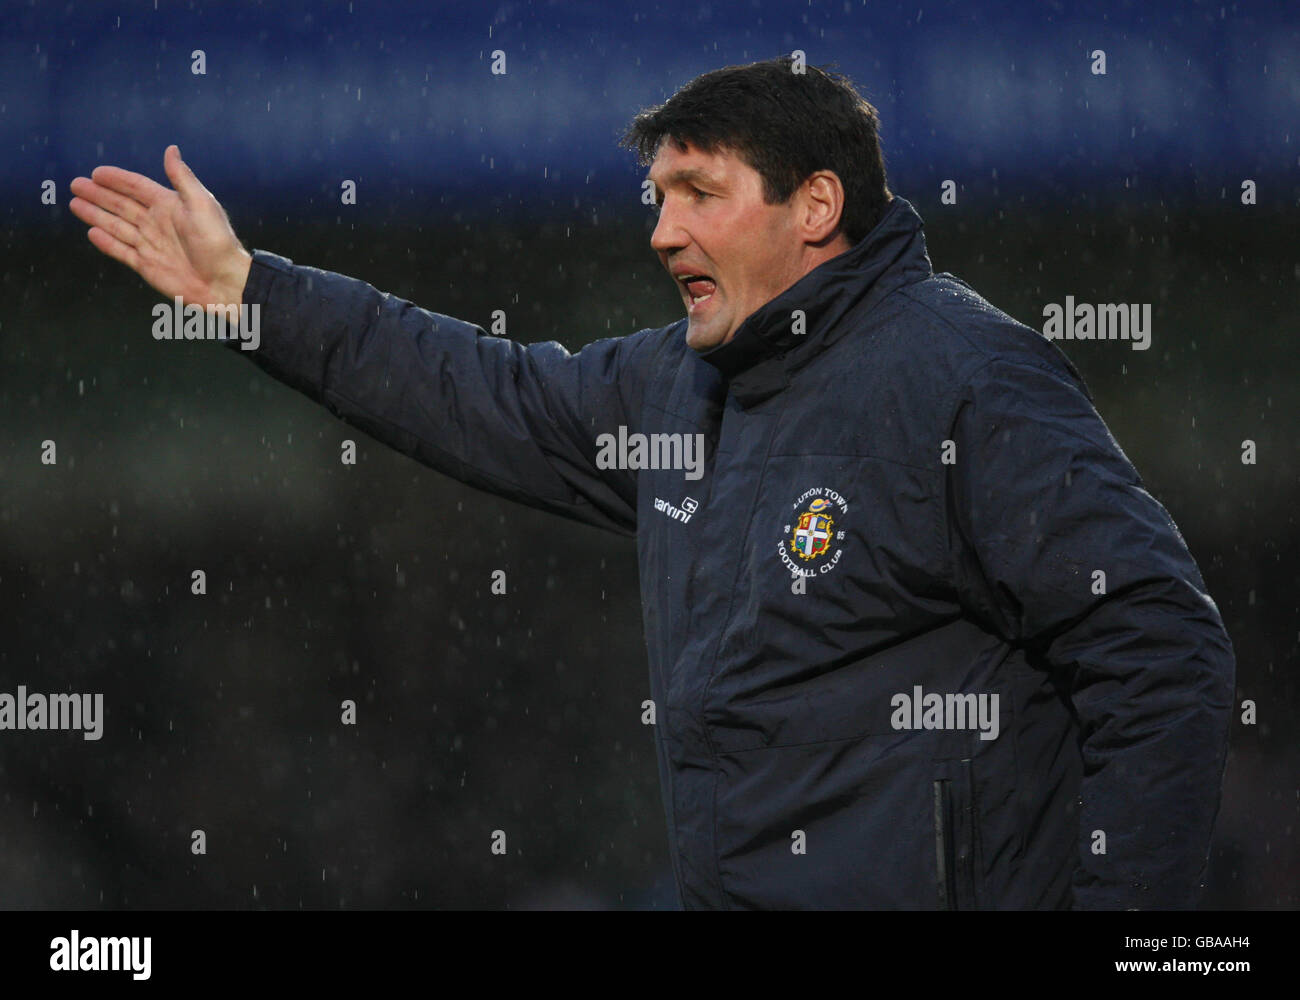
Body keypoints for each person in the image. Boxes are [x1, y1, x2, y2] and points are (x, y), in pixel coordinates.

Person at [68, 56, 1235, 910]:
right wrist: (252, 296)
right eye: (657, 198)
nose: (662, 232)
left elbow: (1161, 647)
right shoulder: (675, 390)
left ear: (815, 206)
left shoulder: (966, 378)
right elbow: (475, 389)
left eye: (699, 194)